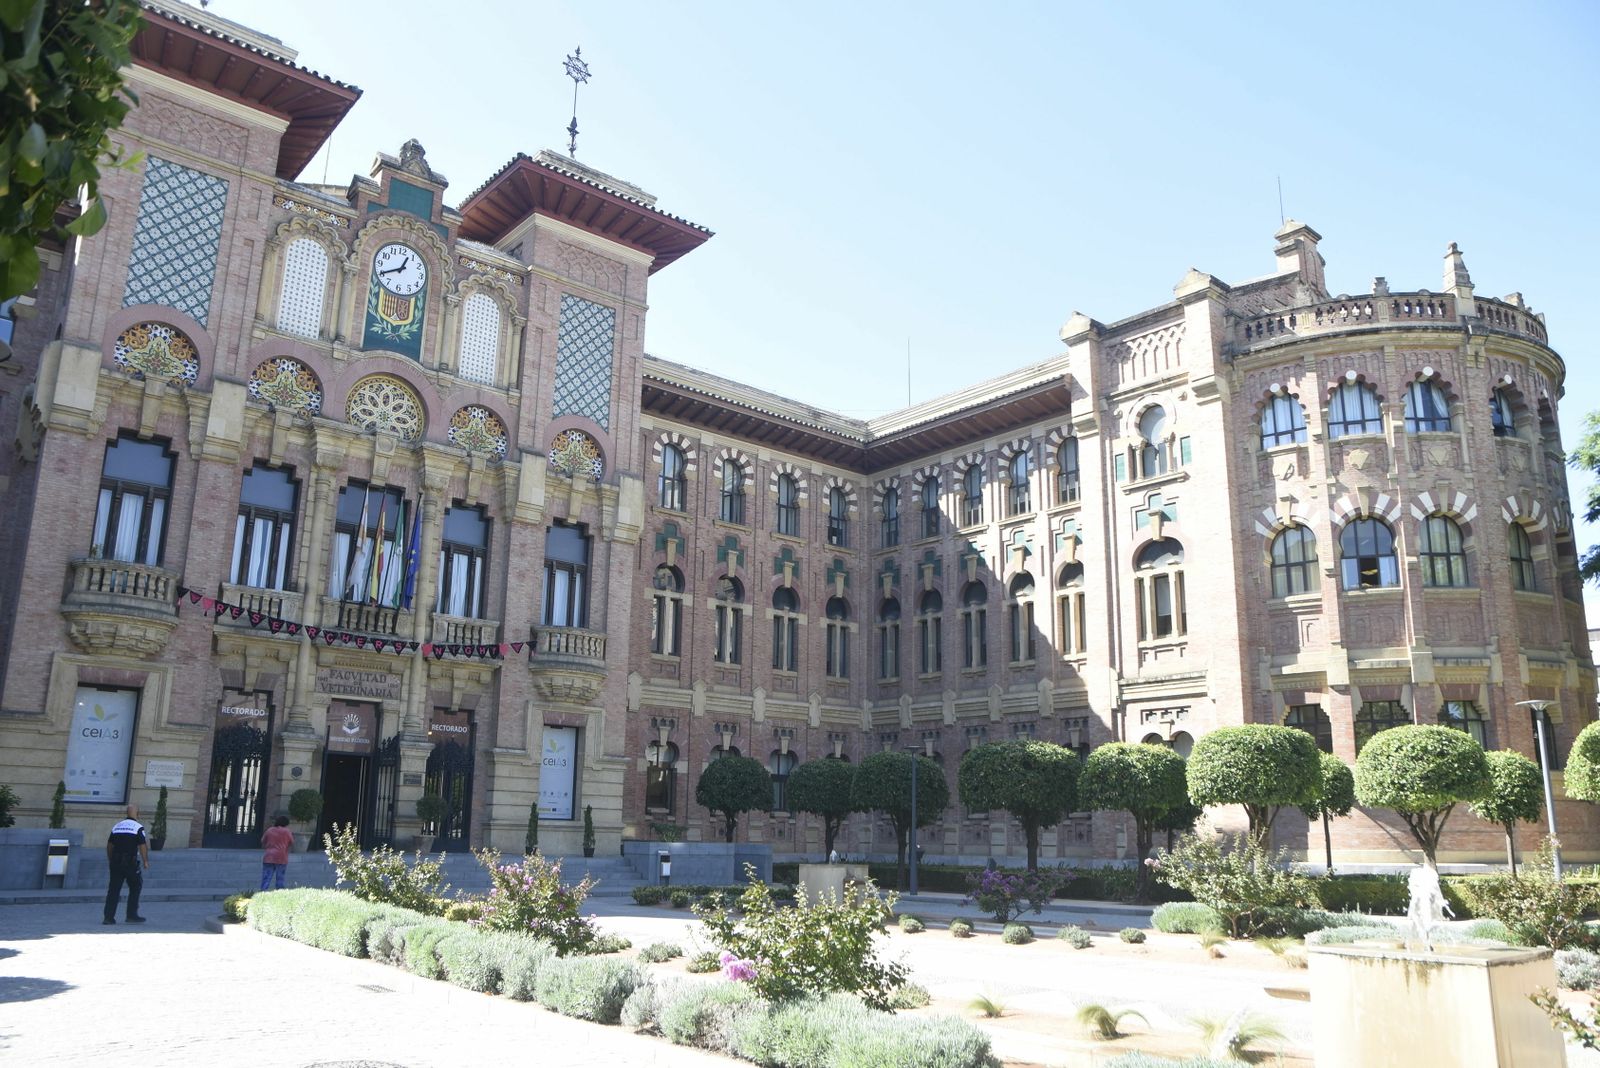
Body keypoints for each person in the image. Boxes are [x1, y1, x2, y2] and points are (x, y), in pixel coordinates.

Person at [104, 804, 150, 925]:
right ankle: (131, 915)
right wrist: (145, 861)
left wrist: (110, 859)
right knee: (135, 886)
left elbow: (109, 845)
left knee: (113, 890)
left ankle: (108, 918)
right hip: (130, 863)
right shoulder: (138, 827)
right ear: (137, 814)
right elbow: (142, 846)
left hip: (115, 862)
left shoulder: (117, 826)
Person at [260, 814, 293, 890]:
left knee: (266, 877)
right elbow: (291, 842)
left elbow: (262, 841)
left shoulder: (269, 830)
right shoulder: (287, 832)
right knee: (280, 878)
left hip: (269, 856)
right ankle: (279, 892)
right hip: (282, 857)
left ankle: (263, 891)